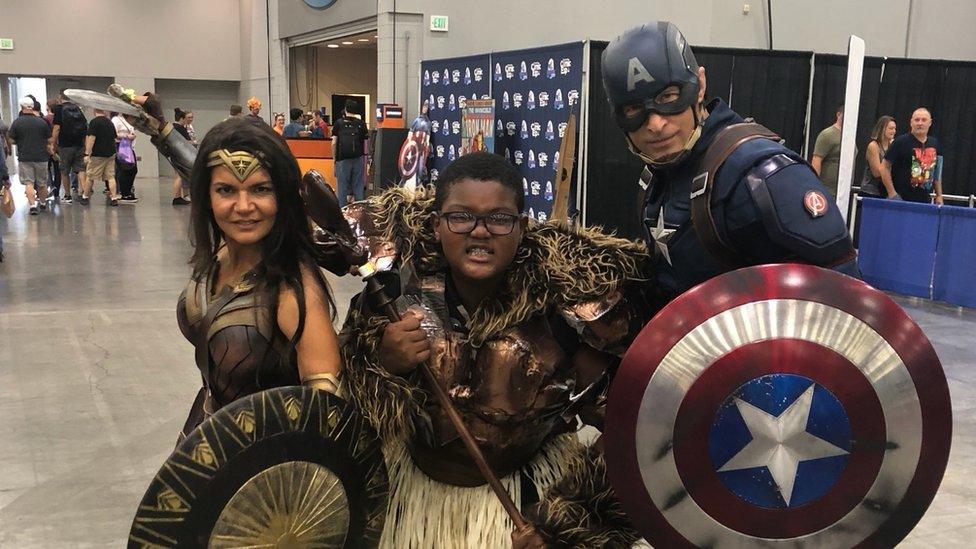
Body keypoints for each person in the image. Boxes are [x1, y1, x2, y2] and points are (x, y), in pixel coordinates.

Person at [340, 152, 646, 548]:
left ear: (521, 228)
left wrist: (564, 524)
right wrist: (382, 364)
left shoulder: (566, 314)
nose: (479, 231)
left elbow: (630, 431)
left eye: (499, 219)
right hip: (414, 506)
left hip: (525, 503)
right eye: (461, 216)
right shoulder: (391, 299)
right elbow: (344, 413)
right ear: (436, 225)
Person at [600, 21, 858, 305]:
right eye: (634, 109)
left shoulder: (762, 178)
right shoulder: (656, 177)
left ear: (699, 86)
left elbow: (845, 307)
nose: (657, 124)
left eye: (668, 97)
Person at [176, 117, 343, 442]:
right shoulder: (221, 253)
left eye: (260, 189)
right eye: (226, 190)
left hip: (267, 470)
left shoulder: (294, 290)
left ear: (283, 197)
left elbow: (327, 412)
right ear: (207, 195)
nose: (243, 207)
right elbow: (193, 169)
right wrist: (159, 131)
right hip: (203, 443)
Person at [880, 107, 943, 204]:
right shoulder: (900, 142)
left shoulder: (935, 143)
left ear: (930, 123)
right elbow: (884, 166)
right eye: (917, 120)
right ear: (911, 122)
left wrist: (939, 195)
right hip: (901, 199)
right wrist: (892, 193)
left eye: (924, 120)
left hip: (924, 201)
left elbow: (937, 172)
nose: (920, 123)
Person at [7, 96, 53, 215]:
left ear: (22, 107)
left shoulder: (17, 122)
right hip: (41, 157)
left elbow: (11, 140)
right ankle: (42, 203)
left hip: (25, 157)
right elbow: (49, 140)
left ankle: (32, 206)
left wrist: (20, 142)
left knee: (29, 183)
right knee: (42, 183)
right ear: (32, 107)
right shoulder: (42, 122)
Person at [52, 93, 88, 202]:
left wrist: (53, 145)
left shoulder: (59, 109)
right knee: (81, 170)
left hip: (65, 146)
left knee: (64, 171)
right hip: (79, 145)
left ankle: (68, 195)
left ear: (60, 98)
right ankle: (84, 194)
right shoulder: (78, 109)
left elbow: (57, 128)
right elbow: (85, 128)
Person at [331, 99, 369, 206]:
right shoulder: (361, 124)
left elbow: (334, 143)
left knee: (342, 188)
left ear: (345, 109)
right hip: (358, 159)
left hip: (342, 160)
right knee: (358, 187)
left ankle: (343, 216)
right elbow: (366, 143)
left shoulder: (338, 123)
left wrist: (334, 158)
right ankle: (360, 214)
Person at [81, 108, 120, 206]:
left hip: (97, 155)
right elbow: (115, 138)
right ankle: (114, 198)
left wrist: (87, 153)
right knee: (111, 177)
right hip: (110, 154)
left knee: (90, 176)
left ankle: (85, 196)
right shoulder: (109, 122)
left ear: (95, 111)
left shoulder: (94, 123)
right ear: (104, 111)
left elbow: (91, 139)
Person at [811, 104, 844, 197]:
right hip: (827, 191)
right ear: (838, 114)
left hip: (842, 191)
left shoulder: (850, 137)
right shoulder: (827, 134)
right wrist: (815, 185)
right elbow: (816, 159)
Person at [860, 115, 896, 198]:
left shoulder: (892, 146)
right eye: (891, 128)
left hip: (885, 191)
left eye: (895, 129)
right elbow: (876, 172)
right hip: (871, 192)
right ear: (882, 129)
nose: (893, 131)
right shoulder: (873, 146)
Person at [112, 110, 139, 203]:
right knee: (124, 170)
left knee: (133, 169)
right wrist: (127, 136)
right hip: (120, 146)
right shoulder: (116, 120)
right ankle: (125, 193)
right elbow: (114, 134)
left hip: (129, 147)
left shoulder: (130, 121)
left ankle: (127, 191)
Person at [171, 108, 194, 205]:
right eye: (187, 118)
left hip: (174, 153)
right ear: (182, 118)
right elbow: (186, 141)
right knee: (179, 176)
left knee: (178, 175)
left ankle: (178, 196)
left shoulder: (172, 127)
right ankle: (176, 197)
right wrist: (193, 142)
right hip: (180, 153)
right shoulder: (180, 128)